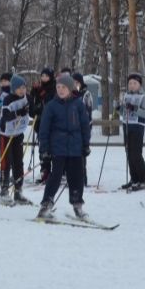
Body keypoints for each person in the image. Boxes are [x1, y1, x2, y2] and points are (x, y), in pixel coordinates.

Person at [37, 73, 91, 220]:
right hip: (58, 148)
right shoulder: (51, 106)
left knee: (76, 177)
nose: (60, 90)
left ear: (70, 88)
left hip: (75, 147)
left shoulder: (78, 104)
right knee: (55, 176)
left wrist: (86, 144)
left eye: (64, 87)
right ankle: (46, 204)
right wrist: (45, 150)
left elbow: (85, 126)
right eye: (58, 87)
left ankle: (77, 206)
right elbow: (44, 130)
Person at [0, 74, 33, 205]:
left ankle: (18, 192)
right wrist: (19, 113)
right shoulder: (8, 99)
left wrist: (38, 110)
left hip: (18, 133)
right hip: (6, 134)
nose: (22, 90)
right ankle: (4, 191)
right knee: (6, 162)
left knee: (18, 163)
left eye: (23, 87)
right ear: (13, 88)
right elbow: (5, 115)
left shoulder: (26, 97)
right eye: (19, 88)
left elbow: (33, 110)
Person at [119, 73, 145, 191]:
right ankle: (134, 178)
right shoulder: (126, 95)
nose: (132, 86)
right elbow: (123, 112)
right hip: (127, 125)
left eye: (134, 83)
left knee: (136, 154)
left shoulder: (143, 97)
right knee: (128, 153)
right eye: (130, 83)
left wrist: (134, 108)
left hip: (138, 126)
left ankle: (143, 180)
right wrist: (120, 109)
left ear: (139, 85)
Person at [29, 67, 56, 183]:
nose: (44, 78)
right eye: (42, 76)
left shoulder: (54, 88)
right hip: (40, 123)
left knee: (52, 149)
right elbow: (32, 107)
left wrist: (42, 107)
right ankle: (44, 172)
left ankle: (54, 173)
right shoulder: (38, 89)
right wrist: (33, 95)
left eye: (46, 76)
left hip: (52, 124)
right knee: (43, 149)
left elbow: (52, 104)